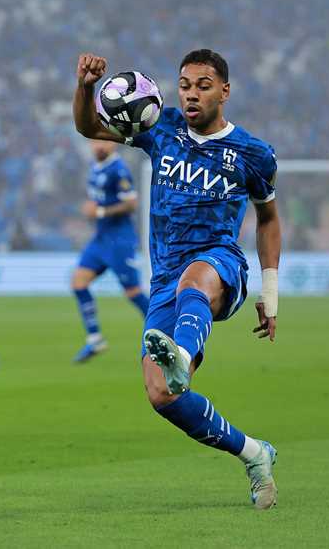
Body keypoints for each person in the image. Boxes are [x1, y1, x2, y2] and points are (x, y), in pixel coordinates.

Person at [73, 50, 282, 509]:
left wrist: (270, 293)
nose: (191, 93)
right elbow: (90, 128)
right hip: (166, 277)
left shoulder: (252, 153)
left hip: (219, 264)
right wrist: (86, 86)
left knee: (195, 279)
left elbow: (268, 219)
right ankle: (254, 453)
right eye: (185, 84)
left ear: (224, 91)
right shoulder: (160, 128)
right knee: (161, 395)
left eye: (203, 85)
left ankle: (181, 355)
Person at [71, 139, 149, 362]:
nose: (98, 146)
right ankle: (95, 340)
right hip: (100, 240)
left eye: (104, 141)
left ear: (114, 144)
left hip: (119, 241)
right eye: (94, 141)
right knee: (78, 283)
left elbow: (132, 203)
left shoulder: (119, 169)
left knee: (133, 292)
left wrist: (101, 212)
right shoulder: (95, 167)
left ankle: (163, 330)